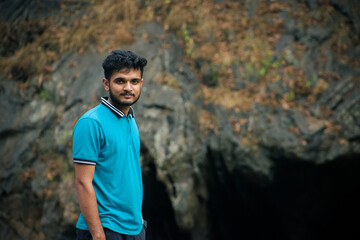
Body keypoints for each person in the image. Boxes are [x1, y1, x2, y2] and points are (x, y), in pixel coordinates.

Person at [73, 50, 148, 240]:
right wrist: (98, 235)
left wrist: (139, 221)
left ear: (141, 84)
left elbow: (128, 173)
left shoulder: (130, 119)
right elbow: (83, 182)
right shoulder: (91, 123)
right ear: (106, 83)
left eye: (134, 81)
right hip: (105, 230)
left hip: (134, 229)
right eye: (120, 81)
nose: (128, 87)